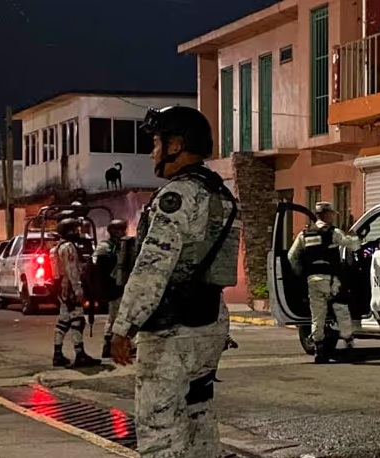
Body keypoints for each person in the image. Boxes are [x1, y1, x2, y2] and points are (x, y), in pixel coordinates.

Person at [109, 105, 240, 458]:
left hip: (172, 326)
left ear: (177, 145)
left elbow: (152, 267)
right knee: (199, 414)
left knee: (160, 427)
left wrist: (124, 327)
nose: (153, 153)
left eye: (156, 143)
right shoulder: (222, 195)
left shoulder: (177, 197)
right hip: (210, 320)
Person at [288, 202, 361, 363]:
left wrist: (301, 274)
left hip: (313, 280)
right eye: (332, 214)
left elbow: (292, 257)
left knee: (317, 316)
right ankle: (348, 344)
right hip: (332, 280)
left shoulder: (305, 234)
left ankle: (319, 350)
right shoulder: (333, 232)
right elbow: (354, 246)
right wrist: (353, 236)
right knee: (341, 310)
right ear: (327, 215)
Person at [50, 218, 101, 368]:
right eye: (74, 229)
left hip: (61, 289)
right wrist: (78, 290)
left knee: (63, 321)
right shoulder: (69, 247)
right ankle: (80, 355)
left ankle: (57, 354)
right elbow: (72, 270)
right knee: (78, 320)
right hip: (70, 289)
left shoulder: (56, 248)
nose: (77, 232)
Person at [93, 219, 133, 358]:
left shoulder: (120, 245)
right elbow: (101, 270)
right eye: (120, 229)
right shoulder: (107, 247)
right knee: (116, 317)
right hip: (114, 287)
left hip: (120, 285)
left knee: (116, 316)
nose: (123, 232)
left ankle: (111, 345)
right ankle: (109, 345)